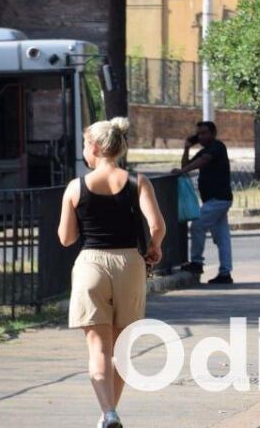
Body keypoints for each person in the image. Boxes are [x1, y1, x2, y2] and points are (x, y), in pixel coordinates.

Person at [58, 117, 166, 428]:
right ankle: (108, 414)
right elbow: (157, 225)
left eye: (83, 145)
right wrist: (154, 246)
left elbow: (66, 238)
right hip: (129, 264)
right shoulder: (138, 182)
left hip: (91, 263)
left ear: (93, 147)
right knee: (121, 349)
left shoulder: (76, 187)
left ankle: (108, 413)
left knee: (98, 348)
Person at [174, 121, 234, 284]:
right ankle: (225, 273)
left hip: (219, 199)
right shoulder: (203, 150)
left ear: (213, 134)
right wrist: (186, 148)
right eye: (199, 133)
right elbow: (186, 164)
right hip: (215, 200)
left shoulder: (217, 147)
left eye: (204, 133)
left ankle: (196, 262)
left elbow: (203, 161)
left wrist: (182, 172)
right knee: (222, 238)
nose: (201, 136)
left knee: (197, 225)